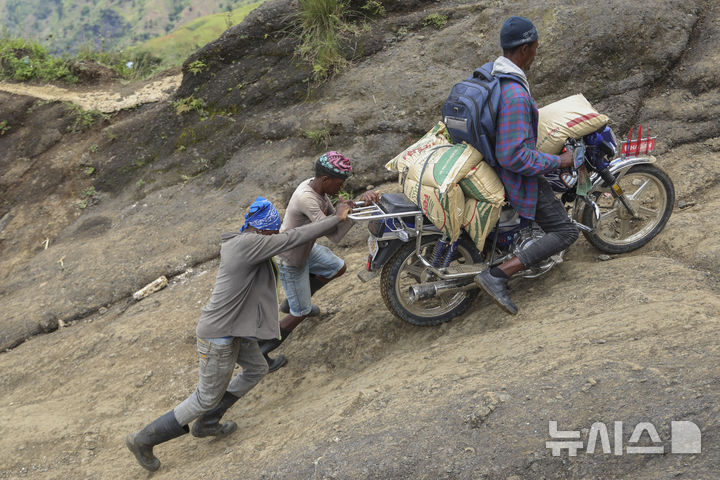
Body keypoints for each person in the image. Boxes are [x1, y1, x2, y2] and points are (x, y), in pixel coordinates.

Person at [125, 196, 352, 472]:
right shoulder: (249, 246)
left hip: (235, 330)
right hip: (218, 336)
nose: (275, 235)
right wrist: (335, 219)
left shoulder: (244, 240)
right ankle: (143, 439)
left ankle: (209, 421)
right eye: (272, 231)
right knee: (204, 397)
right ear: (261, 231)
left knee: (256, 368)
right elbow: (294, 237)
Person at [473, 16, 579, 315]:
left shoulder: (491, 75)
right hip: (511, 175)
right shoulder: (515, 94)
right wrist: (559, 160)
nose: (536, 53)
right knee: (566, 232)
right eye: (535, 47)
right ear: (525, 49)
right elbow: (514, 156)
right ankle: (497, 275)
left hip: (487, 162)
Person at [260, 152, 379, 371]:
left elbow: (335, 233)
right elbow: (330, 228)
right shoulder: (307, 198)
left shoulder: (318, 190)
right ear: (325, 179)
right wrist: (344, 213)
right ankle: (260, 355)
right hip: (290, 259)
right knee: (301, 313)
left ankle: (293, 300)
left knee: (337, 267)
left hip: (307, 249)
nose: (341, 189)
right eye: (339, 184)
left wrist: (360, 204)